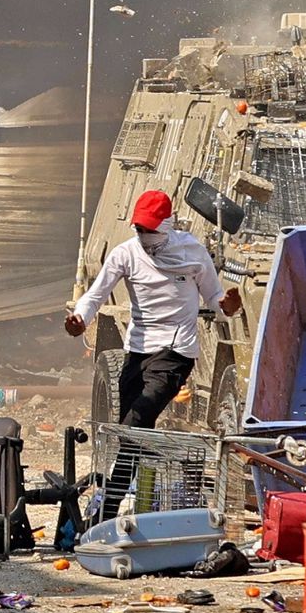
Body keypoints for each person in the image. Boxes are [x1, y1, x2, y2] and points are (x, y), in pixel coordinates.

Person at [65, 190, 241, 518]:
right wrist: (80, 318)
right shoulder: (125, 254)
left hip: (176, 350)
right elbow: (96, 294)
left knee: (137, 419)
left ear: (168, 225)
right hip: (138, 349)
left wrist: (227, 306)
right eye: (140, 230)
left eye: (151, 230)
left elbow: (215, 297)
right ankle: (135, 498)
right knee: (129, 432)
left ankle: (109, 505)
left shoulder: (192, 251)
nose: (145, 237)